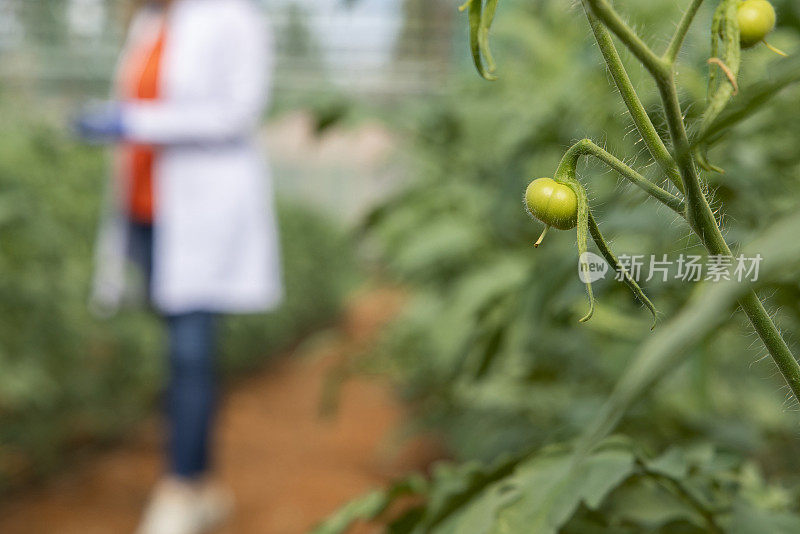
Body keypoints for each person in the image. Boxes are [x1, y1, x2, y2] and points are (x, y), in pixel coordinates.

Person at [74, 1, 281, 532]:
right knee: (179, 348)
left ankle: (180, 487)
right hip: (148, 208)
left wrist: (133, 121)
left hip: (201, 212)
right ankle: (204, 483)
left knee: (190, 352)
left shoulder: (234, 17)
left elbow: (237, 111)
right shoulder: (150, 20)